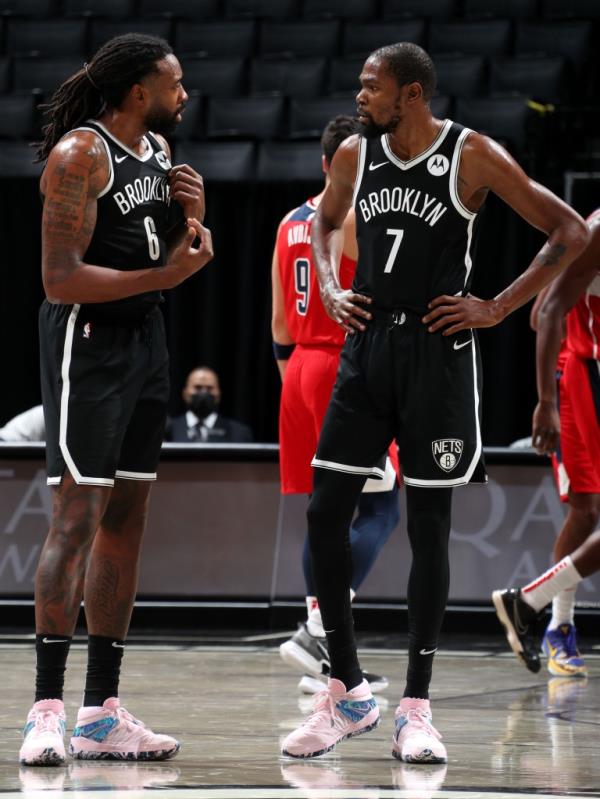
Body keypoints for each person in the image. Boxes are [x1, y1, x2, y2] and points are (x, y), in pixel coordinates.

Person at [280, 42, 589, 763]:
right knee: (325, 512)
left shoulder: (470, 154)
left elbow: (569, 231)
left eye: (371, 86)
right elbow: (323, 222)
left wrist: (497, 306)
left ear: (412, 93)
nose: (360, 97)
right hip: (367, 347)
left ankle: (416, 708)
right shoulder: (356, 153)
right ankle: (347, 688)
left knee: (428, 525)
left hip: (438, 351)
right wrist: (330, 285)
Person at [19, 33, 213, 767]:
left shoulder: (158, 153)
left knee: (127, 517)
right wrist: (163, 279)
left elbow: (161, 256)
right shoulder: (81, 156)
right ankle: (45, 710)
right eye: (174, 83)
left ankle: (100, 713)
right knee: (78, 515)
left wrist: (193, 220)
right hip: (88, 340)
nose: (184, 94)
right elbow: (59, 278)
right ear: (138, 91)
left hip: (145, 340)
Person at [271, 115, 400, 696]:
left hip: (298, 367)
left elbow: (279, 322)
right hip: (340, 367)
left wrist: (295, 384)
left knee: (325, 510)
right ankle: (318, 628)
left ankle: (324, 657)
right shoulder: (354, 217)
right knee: (382, 508)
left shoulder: (288, 223)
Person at [492, 208, 600, 675]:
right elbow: (544, 312)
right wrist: (547, 402)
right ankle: (555, 621)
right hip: (582, 377)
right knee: (586, 510)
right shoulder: (593, 231)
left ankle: (532, 605)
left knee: (588, 511)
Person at [168, 365, 253, 442]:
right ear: (185, 393)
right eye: (198, 387)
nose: (204, 392)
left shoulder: (239, 433)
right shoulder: (167, 430)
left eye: (210, 388)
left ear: (219, 394)